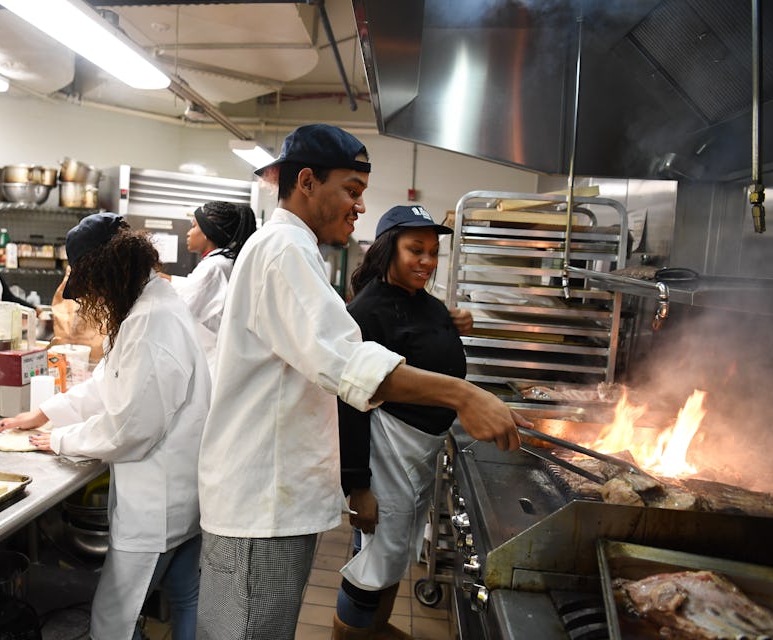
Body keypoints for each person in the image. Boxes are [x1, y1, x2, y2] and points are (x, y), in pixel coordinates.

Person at [195, 123, 528, 640]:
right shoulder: (283, 249)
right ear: (307, 181)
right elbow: (350, 364)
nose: (359, 208)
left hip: (274, 500)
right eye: (351, 191)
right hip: (259, 505)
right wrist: (463, 394)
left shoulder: (293, 248)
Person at [0, 213, 211, 640]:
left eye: (89, 286)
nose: (89, 297)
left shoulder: (150, 321)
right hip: (182, 492)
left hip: (157, 503)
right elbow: (107, 381)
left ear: (107, 272)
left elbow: (131, 428)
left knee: (113, 620)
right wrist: (46, 412)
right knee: (186, 596)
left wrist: (57, 440)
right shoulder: (146, 305)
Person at [333, 205, 473, 639]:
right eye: (417, 250)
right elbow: (350, 404)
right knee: (372, 560)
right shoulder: (368, 312)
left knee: (394, 556)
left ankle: (377, 629)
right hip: (386, 454)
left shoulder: (426, 305)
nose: (428, 262)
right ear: (388, 249)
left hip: (419, 452)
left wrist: (454, 327)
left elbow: (429, 355)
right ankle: (349, 633)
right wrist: (358, 486)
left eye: (433, 252)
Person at [159, 201, 257, 372]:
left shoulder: (214, 266)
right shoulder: (223, 262)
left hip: (212, 361)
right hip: (217, 358)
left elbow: (184, 305)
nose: (188, 233)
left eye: (194, 226)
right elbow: (193, 287)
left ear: (207, 231)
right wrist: (166, 279)